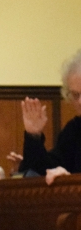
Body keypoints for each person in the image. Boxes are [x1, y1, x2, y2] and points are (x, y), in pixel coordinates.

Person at [17, 49, 81, 185]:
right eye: (76, 95)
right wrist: (33, 135)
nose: (80, 101)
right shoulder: (74, 130)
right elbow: (42, 170)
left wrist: (71, 181)